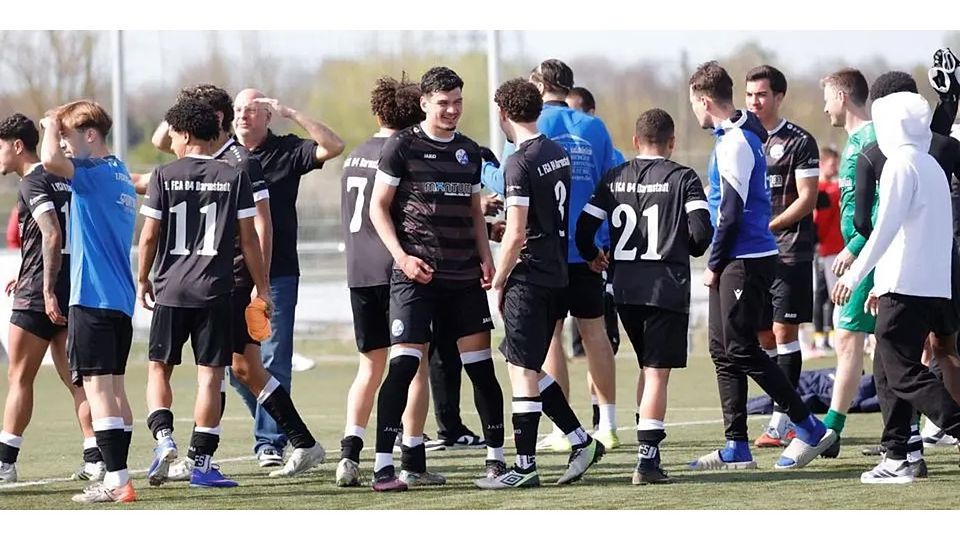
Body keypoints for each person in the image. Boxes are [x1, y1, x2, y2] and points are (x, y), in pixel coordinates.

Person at [140, 85, 324, 482]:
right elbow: (163, 140)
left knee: (228, 367)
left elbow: (262, 224)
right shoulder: (208, 160)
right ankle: (303, 442)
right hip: (217, 276)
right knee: (242, 368)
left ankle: (198, 457)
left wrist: (262, 284)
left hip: (232, 279)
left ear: (211, 121)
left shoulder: (240, 163)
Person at [686, 61, 835, 471]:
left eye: (695, 104)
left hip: (745, 258)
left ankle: (808, 426)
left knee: (742, 348)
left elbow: (731, 212)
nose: (695, 113)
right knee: (722, 351)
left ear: (703, 100)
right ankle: (736, 446)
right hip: (739, 256)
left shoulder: (735, 141)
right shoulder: (739, 133)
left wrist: (714, 263)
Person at [368, 66, 506, 491]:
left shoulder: (468, 151)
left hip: (463, 276)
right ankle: (383, 466)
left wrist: (487, 258)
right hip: (416, 277)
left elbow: (472, 209)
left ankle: (496, 461)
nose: (452, 110)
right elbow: (378, 207)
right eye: (443, 103)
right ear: (425, 103)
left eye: (458, 102)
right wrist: (403, 258)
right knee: (405, 366)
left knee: (481, 370)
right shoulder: (401, 146)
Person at [481, 59, 620, 452]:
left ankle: (562, 429)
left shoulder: (536, 129)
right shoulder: (594, 126)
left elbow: (512, 181)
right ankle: (606, 424)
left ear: (539, 87)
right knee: (595, 333)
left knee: (551, 339)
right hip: (589, 249)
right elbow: (611, 182)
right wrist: (601, 241)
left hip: (547, 253)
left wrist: (480, 168)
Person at [576, 108, 713, 484]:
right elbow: (702, 235)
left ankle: (645, 450)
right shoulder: (683, 177)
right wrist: (678, 244)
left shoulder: (614, 176)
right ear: (672, 142)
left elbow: (584, 230)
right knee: (656, 373)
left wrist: (593, 256)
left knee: (647, 367)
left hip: (625, 289)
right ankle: (648, 462)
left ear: (635, 142)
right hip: (665, 288)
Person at [138, 99, 270, 488]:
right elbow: (250, 241)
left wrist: (143, 279)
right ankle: (203, 464)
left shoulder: (163, 175)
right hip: (216, 291)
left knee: (159, 367)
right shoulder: (233, 177)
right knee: (210, 378)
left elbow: (148, 236)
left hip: (171, 290)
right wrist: (261, 287)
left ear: (183, 134)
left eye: (174, 136)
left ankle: (164, 439)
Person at [832, 90, 960, 484]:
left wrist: (855, 277)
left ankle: (944, 428)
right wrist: (879, 283)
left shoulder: (900, 166)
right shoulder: (931, 167)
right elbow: (916, 234)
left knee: (901, 372)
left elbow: (884, 229)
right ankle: (898, 456)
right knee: (889, 372)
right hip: (925, 285)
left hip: (905, 288)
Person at [336, 75, 441, 487]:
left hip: (358, 273)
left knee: (369, 368)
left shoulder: (355, 155)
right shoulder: (406, 154)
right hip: (398, 272)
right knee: (414, 367)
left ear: (377, 111)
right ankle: (412, 458)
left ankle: (349, 454)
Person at [230, 88, 344, 466]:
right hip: (230, 274)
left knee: (274, 359)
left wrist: (291, 111)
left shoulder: (287, 150)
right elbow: (163, 140)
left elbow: (333, 145)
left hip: (277, 271)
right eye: (238, 109)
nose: (244, 115)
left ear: (267, 116)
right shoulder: (223, 153)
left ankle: (269, 444)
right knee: (237, 368)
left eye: (253, 110)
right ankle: (277, 423)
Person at [40, 100, 137, 503]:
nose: (62, 146)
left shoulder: (92, 174)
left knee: (98, 392)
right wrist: (65, 121)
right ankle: (121, 474)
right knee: (114, 391)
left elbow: (47, 161)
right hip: (120, 302)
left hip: (92, 297)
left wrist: (48, 124)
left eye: (69, 138)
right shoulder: (121, 175)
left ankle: (116, 480)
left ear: (91, 136)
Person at [0, 113, 101, 484]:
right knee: (77, 381)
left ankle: (5, 463)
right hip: (71, 290)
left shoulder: (33, 181)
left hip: (39, 296)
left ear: (16, 146)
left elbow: (52, 235)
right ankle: (95, 458)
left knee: (19, 378)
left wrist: (42, 286)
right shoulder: (67, 178)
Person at [743, 66, 821, 449]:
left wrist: (769, 226)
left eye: (761, 94)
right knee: (759, 336)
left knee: (783, 332)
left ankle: (783, 421)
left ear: (778, 97)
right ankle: (785, 414)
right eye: (749, 95)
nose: (754, 102)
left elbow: (807, 199)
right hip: (752, 254)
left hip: (788, 251)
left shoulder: (799, 141)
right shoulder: (741, 139)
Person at [820, 68, 883, 456]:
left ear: (843, 97)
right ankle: (905, 430)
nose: (825, 105)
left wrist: (854, 246)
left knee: (851, 339)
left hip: (868, 255)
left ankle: (831, 430)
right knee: (876, 343)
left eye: (827, 97)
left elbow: (880, 208)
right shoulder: (853, 141)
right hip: (858, 253)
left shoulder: (874, 139)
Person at [565, 85, 623, 431]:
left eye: (577, 114)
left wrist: (606, 245)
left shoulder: (608, 153)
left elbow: (617, 200)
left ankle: (604, 419)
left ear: (589, 112)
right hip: (568, 255)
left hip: (598, 257)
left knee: (599, 337)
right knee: (570, 342)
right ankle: (567, 426)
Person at [812, 146, 842, 356]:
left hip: (836, 248)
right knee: (825, 294)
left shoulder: (834, 188)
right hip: (827, 249)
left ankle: (830, 336)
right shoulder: (822, 190)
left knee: (831, 294)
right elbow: (819, 221)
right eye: (832, 163)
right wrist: (816, 241)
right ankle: (821, 337)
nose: (835, 168)